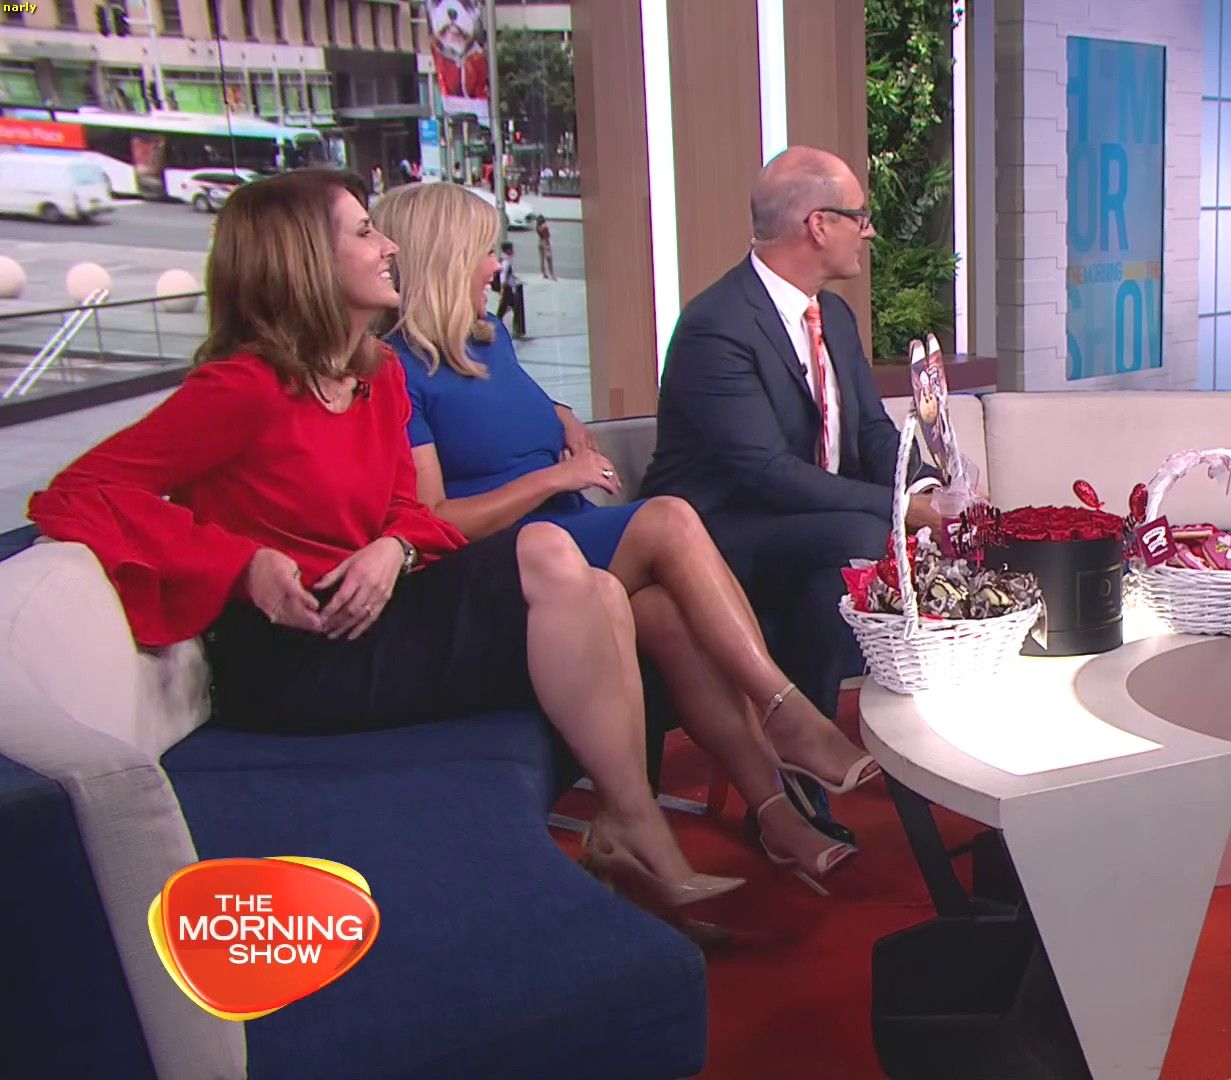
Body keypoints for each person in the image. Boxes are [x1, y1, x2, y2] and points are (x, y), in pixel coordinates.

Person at [26, 168, 741, 915]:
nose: (390, 246)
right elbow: (77, 492)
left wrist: (394, 548)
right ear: (306, 261)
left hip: (382, 613)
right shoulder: (242, 389)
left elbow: (407, 509)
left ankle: (633, 825)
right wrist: (241, 563)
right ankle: (638, 829)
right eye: (366, 232)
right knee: (553, 553)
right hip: (297, 656)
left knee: (596, 587)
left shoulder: (379, 378)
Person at [372, 181, 871, 888]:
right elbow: (434, 519)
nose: (496, 266)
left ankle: (775, 815)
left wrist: (565, 423)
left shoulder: (489, 340)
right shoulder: (396, 370)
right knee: (669, 516)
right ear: (444, 259)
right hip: (508, 562)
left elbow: (522, 411)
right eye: (485, 251)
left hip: (570, 533)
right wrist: (556, 477)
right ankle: (783, 708)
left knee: (664, 614)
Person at [640, 146, 945, 737]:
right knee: (863, 537)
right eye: (859, 216)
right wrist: (900, 509)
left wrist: (927, 485)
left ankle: (821, 740)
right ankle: (806, 742)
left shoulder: (834, 316)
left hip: (806, 523)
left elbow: (872, 432)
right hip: (721, 529)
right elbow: (767, 473)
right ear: (819, 225)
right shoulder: (717, 326)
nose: (869, 231)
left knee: (843, 567)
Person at [493, 239, 527, 338]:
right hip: (506, 290)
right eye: (511, 249)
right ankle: (516, 330)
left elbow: (507, 274)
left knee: (505, 309)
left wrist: (514, 278)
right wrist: (502, 290)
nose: (513, 251)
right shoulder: (506, 261)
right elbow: (503, 277)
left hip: (507, 290)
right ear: (507, 250)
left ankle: (497, 326)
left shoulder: (505, 260)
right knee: (514, 308)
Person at [535, 215, 556, 280]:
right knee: (549, 260)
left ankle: (544, 274)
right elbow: (546, 237)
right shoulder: (544, 227)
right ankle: (552, 275)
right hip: (545, 243)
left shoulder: (537, 227)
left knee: (541, 260)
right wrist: (547, 247)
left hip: (540, 242)